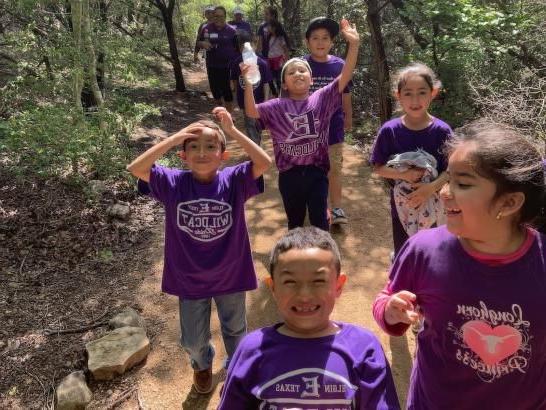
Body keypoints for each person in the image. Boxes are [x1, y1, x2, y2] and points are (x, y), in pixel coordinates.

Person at [373, 120, 546, 409]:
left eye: (463, 183)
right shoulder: (423, 249)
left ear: (509, 202)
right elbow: (384, 300)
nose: (444, 193)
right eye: (448, 179)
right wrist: (391, 311)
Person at [126, 108, 271, 394]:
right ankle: (201, 364)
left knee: (236, 332)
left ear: (223, 154)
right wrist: (175, 137)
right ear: (183, 156)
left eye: (210, 146)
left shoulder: (234, 180)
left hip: (231, 273)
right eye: (193, 147)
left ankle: (237, 368)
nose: (202, 152)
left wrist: (230, 131)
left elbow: (264, 162)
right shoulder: (173, 183)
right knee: (193, 339)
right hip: (189, 277)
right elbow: (136, 168)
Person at [218, 226, 401, 409]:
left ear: (338, 285)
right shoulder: (252, 349)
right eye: (290, 282)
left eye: (318, 281)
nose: (304, 295)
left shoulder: (363, 348)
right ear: (273, 287)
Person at [244, 19, 360, 231]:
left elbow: (345, 77)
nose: (298, 74)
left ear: (311, 77)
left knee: (319, 221)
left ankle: (324, 254)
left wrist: (354, 45)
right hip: (289, 175)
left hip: (317, 171)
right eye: (291, 72)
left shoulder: (321, 97)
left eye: (302, 71)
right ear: (285, 83)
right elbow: (252, 112)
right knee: (295, 222)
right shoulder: (276, 106)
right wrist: (249, 86)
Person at [369, 62, 452, 257]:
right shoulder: (390, 130)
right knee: (404, 247)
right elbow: (377, 167)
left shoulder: (442, 131)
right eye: (408, 93)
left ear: (433, 92)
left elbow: (451, 170)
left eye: (422, 92)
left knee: (433, 248)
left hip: (435, 202)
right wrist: (404, 174)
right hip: (402, 203)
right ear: (398, 96)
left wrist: (430, 188)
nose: (415, 100)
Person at [304, 17, 353, 225]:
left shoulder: (340, 65)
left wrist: (349, 117)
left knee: (334, 168)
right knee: (313, 169)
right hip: (308, 129)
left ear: (332, 42)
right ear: (307, 41)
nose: (320, 42)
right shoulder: (301, 65)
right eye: (315, 38)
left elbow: (346, 94)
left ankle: (337, 207)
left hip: (333, 126)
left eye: (325, 38)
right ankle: (318, 205)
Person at [229, 32, 272, 145]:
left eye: (249, 45)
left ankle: (257, 142)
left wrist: (266, 100)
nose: (246, 48)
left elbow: (266, 83)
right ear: (239, 47)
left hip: (259, 100)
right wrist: (235, 100)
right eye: (242, 46)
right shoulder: (237, 63)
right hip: (245, 101)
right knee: (249, 124)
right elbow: (234, 82)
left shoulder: (262, 63)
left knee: (258, 123)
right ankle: (255, 146)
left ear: (255, 45)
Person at [198, 6, 239, 112]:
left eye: (221, 16)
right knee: (215, 90)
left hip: (227, 66)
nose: (218, 18)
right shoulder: (206, 28)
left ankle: (229, 115)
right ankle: (220, 109)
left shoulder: (232, 31)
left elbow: (238, 48)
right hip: (212, 65)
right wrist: (203, 43)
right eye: (216, 16)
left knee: (227, 90)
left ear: (225, 17)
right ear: (213, 16)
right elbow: (199, 42)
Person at [266, 20, 290, 96]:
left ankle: (282, 96)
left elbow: (285, 49)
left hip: (279, 61)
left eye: (269, 26)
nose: (268, 28)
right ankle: (275, 94)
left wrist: (287, 61)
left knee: (279, 79)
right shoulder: (269, 37)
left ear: (274, 28)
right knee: (269, 78)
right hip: (271, 60)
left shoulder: (280, 38)